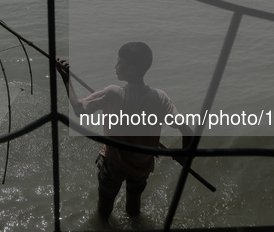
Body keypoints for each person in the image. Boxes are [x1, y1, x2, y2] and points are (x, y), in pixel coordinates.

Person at [56, 42, 193, 218]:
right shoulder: (160, 97)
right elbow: (187, 130)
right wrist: (183, 154)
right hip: (141, 166)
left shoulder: (112, 93)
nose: (115, 66)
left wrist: (66, 79)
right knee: (133, 210)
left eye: (119, 62)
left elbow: (79, 109)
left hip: (113, 164)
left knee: (104, 210)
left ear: (132, 69)